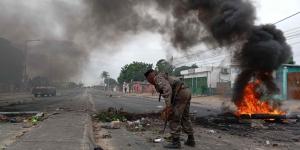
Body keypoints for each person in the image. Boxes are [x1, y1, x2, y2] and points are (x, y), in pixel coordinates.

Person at [144, 69, 195, 149]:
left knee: (174, 116)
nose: (150, 82)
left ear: (151, 76)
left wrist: (168, 107)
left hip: (180, 93)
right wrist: (169, 105)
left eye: (148, 80)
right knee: (185, 117)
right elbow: (168, 92)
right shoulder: (162, 77)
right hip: (186, 91)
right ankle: (191, 140)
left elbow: (167, 90)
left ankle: (176, 142)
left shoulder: (157, 78)